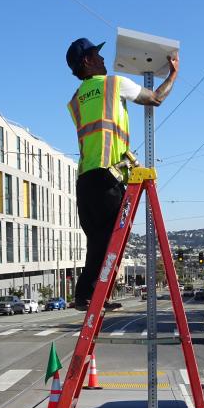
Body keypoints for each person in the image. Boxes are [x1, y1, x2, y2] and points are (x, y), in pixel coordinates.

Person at [66, 37, 179, 311]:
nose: (104, 59)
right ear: (87, 61)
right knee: (110, 241)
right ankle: (90, 296)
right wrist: (174, 72)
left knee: (98, 241)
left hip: (84, 181)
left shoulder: (75, 100)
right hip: (108, 178)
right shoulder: (114, 84)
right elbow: (156, 98)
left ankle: (88, 296)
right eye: (98, 55)